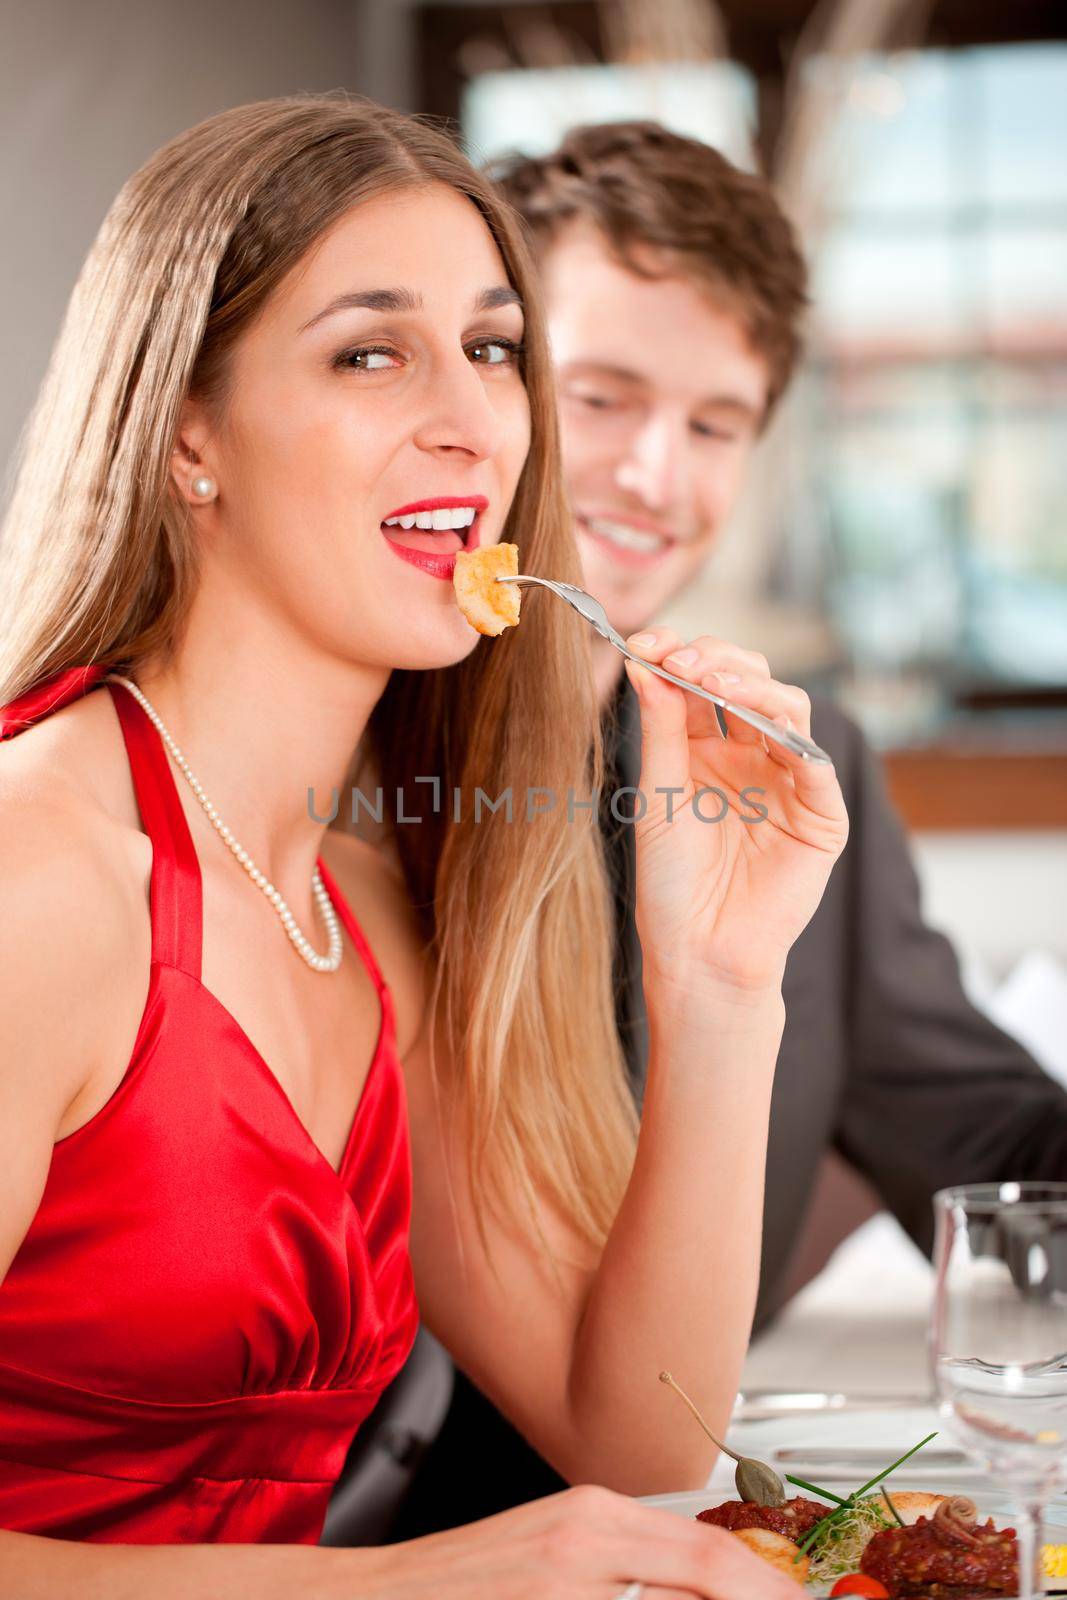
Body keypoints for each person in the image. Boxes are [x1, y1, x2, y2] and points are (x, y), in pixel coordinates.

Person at [0, 96, 846, 1597]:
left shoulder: (359, 901)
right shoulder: (38, 874)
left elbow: (634, 1434)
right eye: (370, 350)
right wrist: (405, 1585)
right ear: (189, 431)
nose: (475, 419)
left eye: (495, 347)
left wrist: (725, 984)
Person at [382, 120, 1067, 1539]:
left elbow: (993, 1136)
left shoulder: (796, 771)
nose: (654, 474)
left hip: (679, 1524)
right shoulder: (346, 765)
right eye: (604, 397)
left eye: (716, 424)